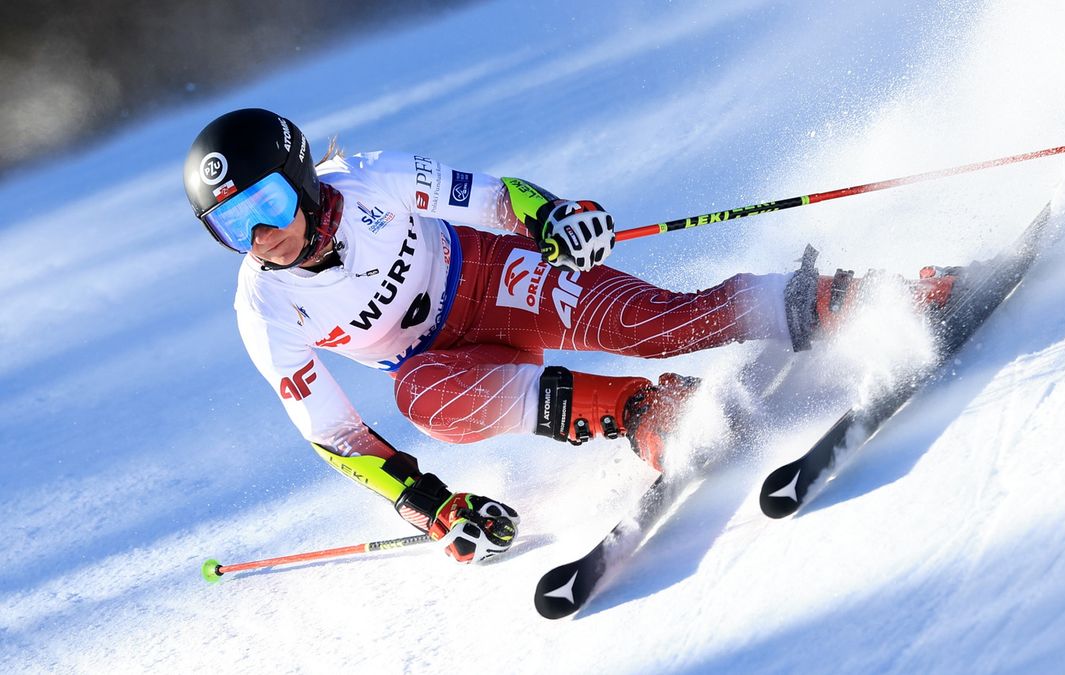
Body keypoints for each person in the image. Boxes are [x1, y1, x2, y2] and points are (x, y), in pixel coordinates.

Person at [183, 108, 958, 564]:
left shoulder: (371, 177)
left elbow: (496, 198)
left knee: (656, 324)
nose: (263, 236)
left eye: (269, 204)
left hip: (489, 274)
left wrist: (552, 216)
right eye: (232, 225)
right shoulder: (265, 308)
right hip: (447, 358)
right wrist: (433, 506)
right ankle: (642, 411)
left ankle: (871, 298)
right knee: (421, 395)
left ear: (305, 180)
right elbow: (337, 435)